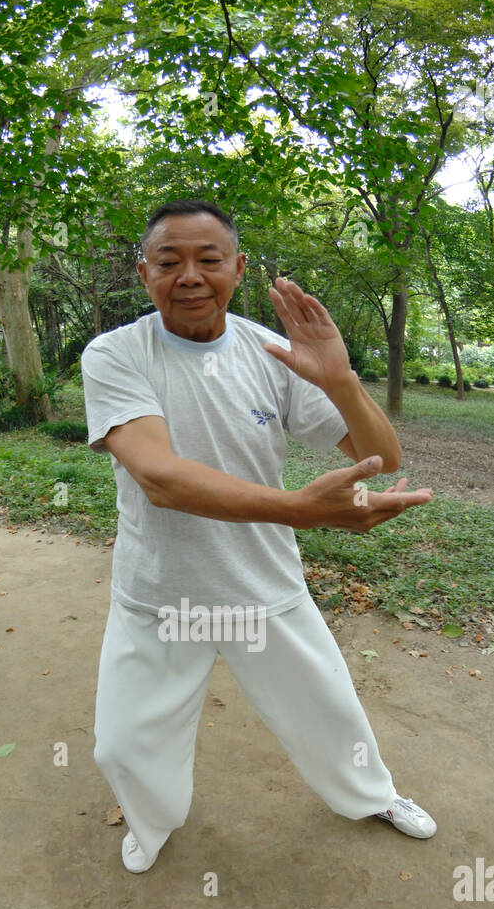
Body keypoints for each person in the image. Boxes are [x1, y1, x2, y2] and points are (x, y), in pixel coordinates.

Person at [80, 198, 437, 873]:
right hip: (160, 592)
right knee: (122, 746)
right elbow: (160, 477)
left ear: (238, 268)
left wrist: (340, 379)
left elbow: (381, 457)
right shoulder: (114, 354)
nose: (189, 275)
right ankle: (151, 826)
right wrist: (296, 509)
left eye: (208, 260)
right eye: (169, 261)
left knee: (329, 713)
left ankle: (372, 797)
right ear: (143, 273)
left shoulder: (268, 353)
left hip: (262, 585)